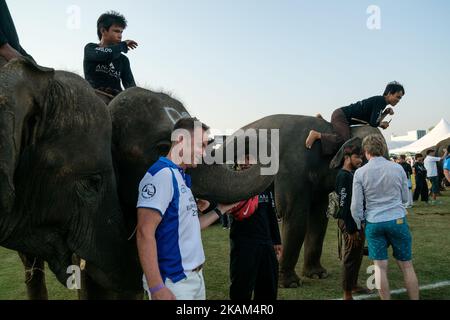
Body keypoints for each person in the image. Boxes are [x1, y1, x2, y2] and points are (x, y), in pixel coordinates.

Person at [136, 117, 236, 300]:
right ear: (181, 140)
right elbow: (144, 232)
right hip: (174, 282)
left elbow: (189, 227)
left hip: (195, 278)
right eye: (201, 145)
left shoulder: (180, 176)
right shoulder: (162, 176)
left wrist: (221, 209)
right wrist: (156, 286)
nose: (204, 152)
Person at [351, 134, 419, 300]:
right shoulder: (397, 168)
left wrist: (359, 222)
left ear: (366, 151)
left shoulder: (360, 173)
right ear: (382, 149)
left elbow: (356, 206)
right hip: (397, 219)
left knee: (379, 268)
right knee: (407, 266)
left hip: (374, 222)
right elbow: (404, 197)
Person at [228, 155, 282, 300]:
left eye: (249, 158)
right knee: (241, 288)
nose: (245, 162)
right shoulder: (233, 183)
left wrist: (276, 241)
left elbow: (271, 211)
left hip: (266, 243)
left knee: (268, 288)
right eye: (241, 158)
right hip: (243, 244)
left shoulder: (264, 182)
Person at [305, 82, 405, 155]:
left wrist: (385, 113)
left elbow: (374, 120)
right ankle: (317, 135)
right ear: (389, 93)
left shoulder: (381, 102)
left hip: (342, 116)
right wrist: (381, 123)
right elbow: (374, 123)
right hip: (342, 116)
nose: (398, 100)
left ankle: (322, 121)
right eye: (398, 97)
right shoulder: (380, 101)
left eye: (400, 98)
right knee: (344, 140)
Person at [335, 145, 366, 300]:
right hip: (349, 221)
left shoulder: (352, 174)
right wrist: (351, 228)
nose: (360, 160)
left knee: (357, 254)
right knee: (350, 256)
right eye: (357, 157)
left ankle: (353, 285)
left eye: (361, 157)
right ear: (347, 158)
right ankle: (347, 292)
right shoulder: (343, 176)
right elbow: (343, 204)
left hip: (357, 220)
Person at [83, 11, 137, 97]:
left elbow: (131, 87)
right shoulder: (90, 48)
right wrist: (123, 45)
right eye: (116, 31)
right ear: (103, 31)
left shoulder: (123, 60)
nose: (120, 36)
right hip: (94, 99)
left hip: (116, 101)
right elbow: (108, 54)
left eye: (121, 32)